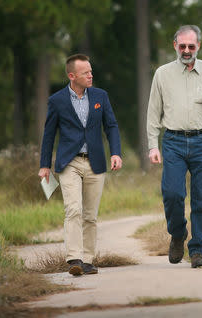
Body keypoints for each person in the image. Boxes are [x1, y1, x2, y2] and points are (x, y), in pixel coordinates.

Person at [147, 25, 202, 268]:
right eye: (182, 46)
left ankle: (197, 249)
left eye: (191, 46)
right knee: (172, 194)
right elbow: (153, 113)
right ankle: (177, 233)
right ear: (174, 45)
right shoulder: (162, 74)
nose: (186, 50)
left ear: (198, 47)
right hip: (173, 141)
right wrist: (153, 146)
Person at [38, 54, 122, 276]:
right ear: (72, 76)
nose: (91, 75)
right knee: (73, 209)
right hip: (69, 163)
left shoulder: (100, 96)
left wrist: (116, 153)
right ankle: (74, 258)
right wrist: (44, 165)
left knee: (90, 215)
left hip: (95, 163)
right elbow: (49, 134)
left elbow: (111, 126)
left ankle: (87, 260)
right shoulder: (57, 101)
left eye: (91, 71)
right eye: (86, 73)